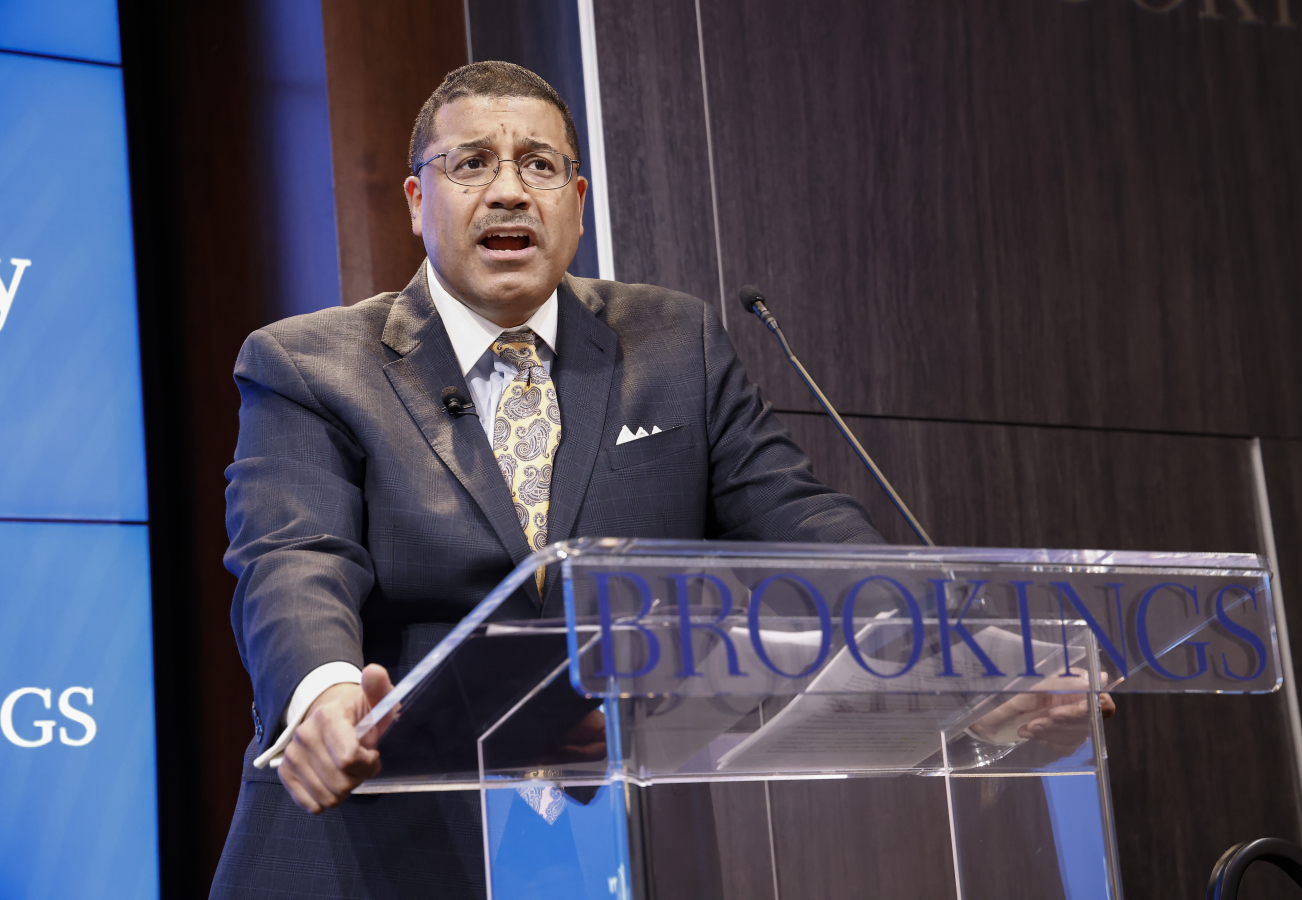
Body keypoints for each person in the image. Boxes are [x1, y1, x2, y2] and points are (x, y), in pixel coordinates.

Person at [210, 61, 1109, 899]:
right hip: (377, 848)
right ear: (417, 200)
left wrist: (972, 658)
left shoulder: (672, 344)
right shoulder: (309, 363)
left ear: (579, 201)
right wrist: (326, 696)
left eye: (540, 165)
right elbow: (296, 555)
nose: (510, 189)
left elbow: (798, 520)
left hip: (620, 850)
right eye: (472, 163)